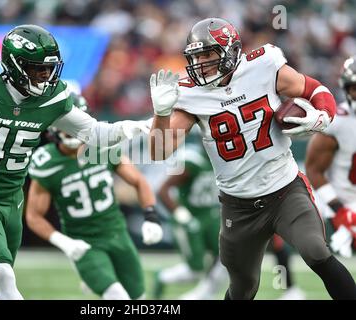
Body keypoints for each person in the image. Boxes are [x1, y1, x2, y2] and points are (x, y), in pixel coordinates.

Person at [0, 24, 149, 300]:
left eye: (49, 69)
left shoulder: (52, 99)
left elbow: (95, 133)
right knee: (2, 275)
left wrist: (141, 125)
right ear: (15, 65)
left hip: (13, 197)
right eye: (38, 68)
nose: (46, 76)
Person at [148, 17, 356, 300]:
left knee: (316, 252)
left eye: (208, 54)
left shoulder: (264, 65)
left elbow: (315, 89)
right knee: (244, 288)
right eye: (196, 56)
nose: (201, 63)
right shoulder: (190, 94)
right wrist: (161, 115)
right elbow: (160, 150)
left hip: (285, 189)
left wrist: (322, 115)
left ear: (231, 52)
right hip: (238, 205)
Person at [26, 92, 163, 299]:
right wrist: (65, 243)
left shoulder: (101, 146)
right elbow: (34, 216)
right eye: (65, 124)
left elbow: (138, 181)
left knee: (139, 298)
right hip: (84, 242)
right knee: (116, 295)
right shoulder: (46, 163)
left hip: (118, 234)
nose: (71, 130)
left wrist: (151, 216)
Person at [153, 143, 227, 299]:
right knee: (195, 270)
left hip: (210, 215)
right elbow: (163, 190)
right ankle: (163, 277)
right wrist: (181, 215)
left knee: (227, 256)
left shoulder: (223, 161)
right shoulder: (193, 161)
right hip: (191, 219)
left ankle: (206, 293)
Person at [305, 55, 356, 258]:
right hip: (346, 203)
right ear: (347, 89)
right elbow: (314, 170)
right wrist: (340, 210)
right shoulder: (338, 122)